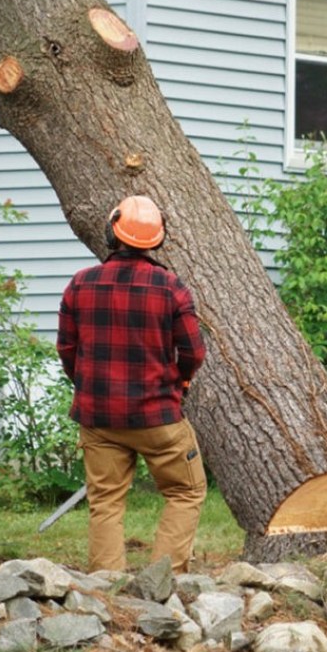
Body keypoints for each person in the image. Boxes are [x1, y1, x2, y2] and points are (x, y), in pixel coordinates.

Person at [56, 195, 207, 574]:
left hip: (99, 417)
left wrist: (90, 387)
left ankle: (105, 588)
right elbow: (194, 352)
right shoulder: (171, 288)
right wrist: (180, 383)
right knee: (186, 491)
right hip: (158, 416)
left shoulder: (80, 284)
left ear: (112, 233)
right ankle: (164, 580)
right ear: (157, 239)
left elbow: (67, 349)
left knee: (105, 501)